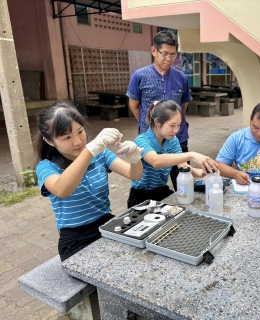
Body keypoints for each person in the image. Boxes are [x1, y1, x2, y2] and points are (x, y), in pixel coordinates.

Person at [35, 101, 144, 261]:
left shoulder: (101, 154)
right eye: (67, 137)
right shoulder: (46, 167)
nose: (78, 141)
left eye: (80, 131)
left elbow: (133, 175)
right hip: (76, 239)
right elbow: (62, 190)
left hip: (107, 225)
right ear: (49, 141)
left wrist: (135, 158)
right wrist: (90, 150)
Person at [126, 30, 192, 192]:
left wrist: (172, 125)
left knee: (183, 180)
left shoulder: (181, 77)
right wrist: (151, 125)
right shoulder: (139, 76)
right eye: (165, 54)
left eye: (173, 55)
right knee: (150, 182)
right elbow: (134, 106)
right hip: (150, 139)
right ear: (154, 50)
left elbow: (183, 106)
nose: (169, 59)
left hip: (177, 137)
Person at [127, 100, 219, 208]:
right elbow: (156, 161)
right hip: (140, 195)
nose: (175, 130)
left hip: (161, 190)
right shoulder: (142, 140)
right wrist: (192, 155)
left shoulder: (173, 140)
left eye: (179, 125)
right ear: (157, 122)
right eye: (172, 125)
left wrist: (196, 171)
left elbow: (182, 164)